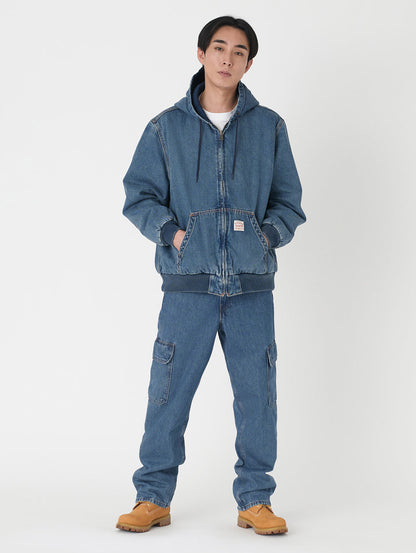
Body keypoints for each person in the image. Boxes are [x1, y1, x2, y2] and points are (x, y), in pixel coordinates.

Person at [116, 15, 306, 535]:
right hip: (187, 288)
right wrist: (174, 235)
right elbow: (139, 196)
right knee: (168, 393)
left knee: (257, 396)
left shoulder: (269, 127)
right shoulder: (165, 128)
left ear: (249, 63)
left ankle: (256, 500)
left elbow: (289, 202)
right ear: (201, 55)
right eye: (219, 48)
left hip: (251, 289)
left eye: (239, 51)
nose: (227, 58)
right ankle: (152, 496)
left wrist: (264, 238)